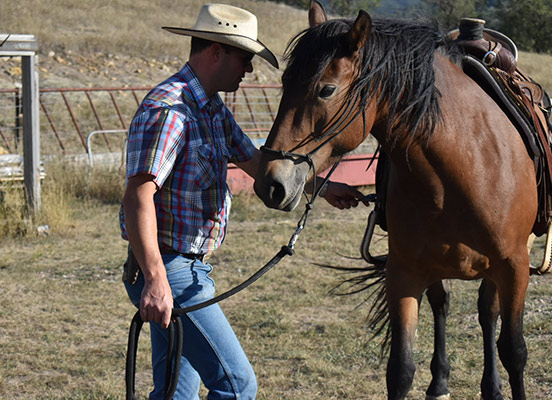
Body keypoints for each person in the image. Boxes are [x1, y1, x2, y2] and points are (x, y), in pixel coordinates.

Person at [120, 4, 367, 399]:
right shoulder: (170, 111)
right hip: (170, 271)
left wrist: (320, 187)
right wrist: (156, 280)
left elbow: (253, 160)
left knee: (174, 393)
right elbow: (138, 197)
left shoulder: (211, 108)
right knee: (236, 385)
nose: (249, 69)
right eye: (245, 58)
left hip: (186, 268)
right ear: (216, 52)